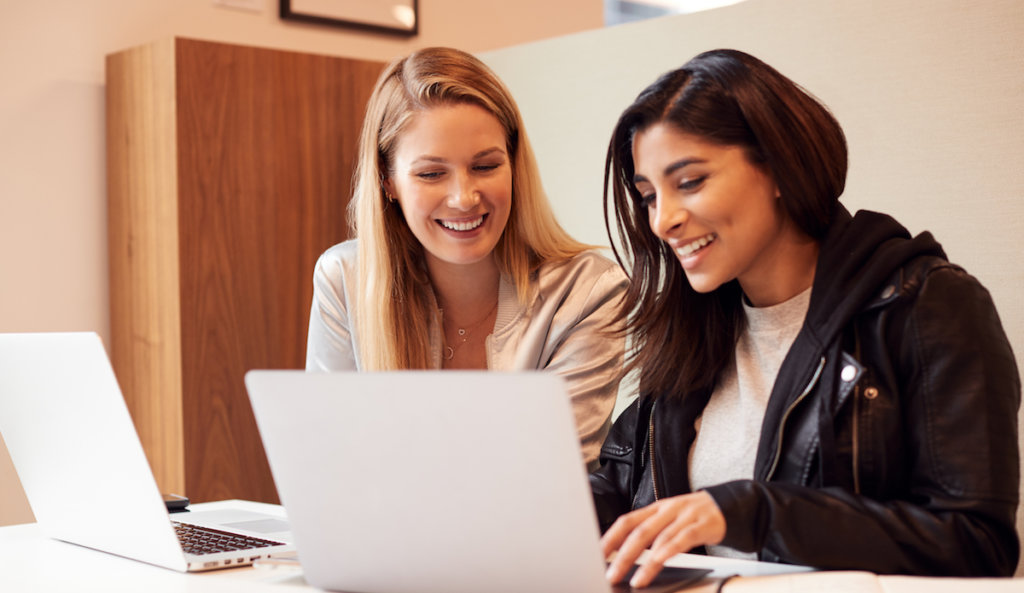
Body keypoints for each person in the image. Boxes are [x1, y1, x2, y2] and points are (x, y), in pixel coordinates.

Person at [593, 48, 1020, 587]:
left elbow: (977, 545)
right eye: (649, 196)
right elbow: (617, 491)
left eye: (691, 182)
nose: (664, 221)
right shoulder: (692, 330)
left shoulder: (928, 306)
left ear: (777, 167)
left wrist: (755, 512)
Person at [305, 47, 627, 468]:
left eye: (485, 166)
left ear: (514, 165)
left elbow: (548, 477)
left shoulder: (589, 293)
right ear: (388, 181)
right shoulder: (344, 278)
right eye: (431, 173)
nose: (463, 198)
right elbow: (327, 462)